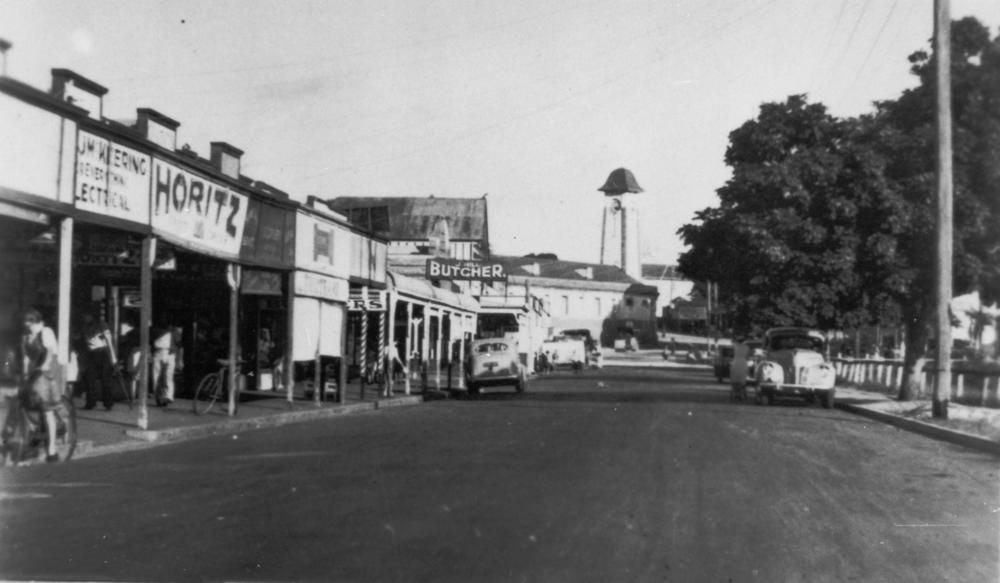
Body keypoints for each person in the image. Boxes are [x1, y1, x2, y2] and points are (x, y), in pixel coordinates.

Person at [20, 309, 62, 462]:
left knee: (46, 409)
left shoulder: (46, 332)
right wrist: (24, 374)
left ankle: (52, 449)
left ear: (38, 322)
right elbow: (25, 358)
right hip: (34, 373)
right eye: (27, 324)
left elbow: (50, 352)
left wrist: (45, 365)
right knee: (25, 403)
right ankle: (35, 436)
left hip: (47, 372)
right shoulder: (26, 337)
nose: (29, 326)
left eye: (31, 323)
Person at [79, 311, 115, 411]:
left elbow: (109, 340)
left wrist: (113, 356)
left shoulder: (101, 324)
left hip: (103, 352)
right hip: (92, 354)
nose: (85, 317)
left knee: (105, 380)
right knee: (89, 379)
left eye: (86, 315)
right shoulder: (85, 327)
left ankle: (108, 404)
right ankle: (90, 403)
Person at [151, 321, 180, 407]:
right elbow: (179, 344)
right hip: (164, 352)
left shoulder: (173, 331)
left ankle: (166, 396)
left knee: (163, 375)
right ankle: (163, 396)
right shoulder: (173, 331)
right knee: (164, 376)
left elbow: (179, 344)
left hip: (165, 352)